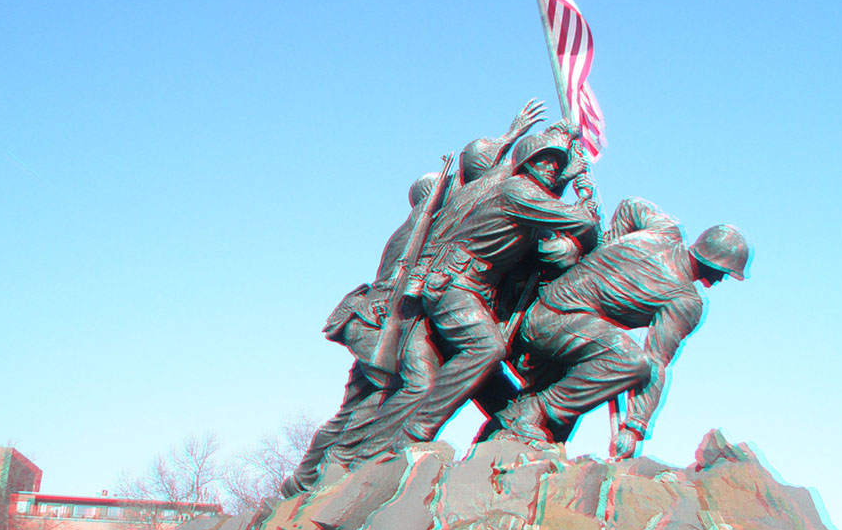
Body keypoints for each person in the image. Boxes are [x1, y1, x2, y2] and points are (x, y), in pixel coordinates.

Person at [282, 103, 548, 493]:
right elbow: (479, 186)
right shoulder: (421, 226)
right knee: (412, 387)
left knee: (362, 403)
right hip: (382, 320)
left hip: (381, 319)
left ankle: (306, 478)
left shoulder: (425, 225)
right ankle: (347, 466)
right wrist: (512, 142)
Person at [394, 129, 602, 447]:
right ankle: (416, 430)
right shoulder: (518, 190)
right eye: (544, 159)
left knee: (499, 374)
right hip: (455, 284)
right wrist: (585, 195)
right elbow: (582, 223)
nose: (552, 167)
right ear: (525, 162)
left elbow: (555, 240)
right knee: (487, 349)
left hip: (481, 293)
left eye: (558, 163)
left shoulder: (530, 197)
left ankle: (506, 432)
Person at [498, 197, 749, 459]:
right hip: (554, 327)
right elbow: (654, 362)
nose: (722, 279)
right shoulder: (685, 300)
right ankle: (533, 410)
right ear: (714, 264)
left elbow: (630, 206)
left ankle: (515, 425)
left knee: (559, 426)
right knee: (630, 361)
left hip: (548, 315)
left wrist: (605, 248)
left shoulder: (665, 229)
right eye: (725, 272)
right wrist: (635, 427)